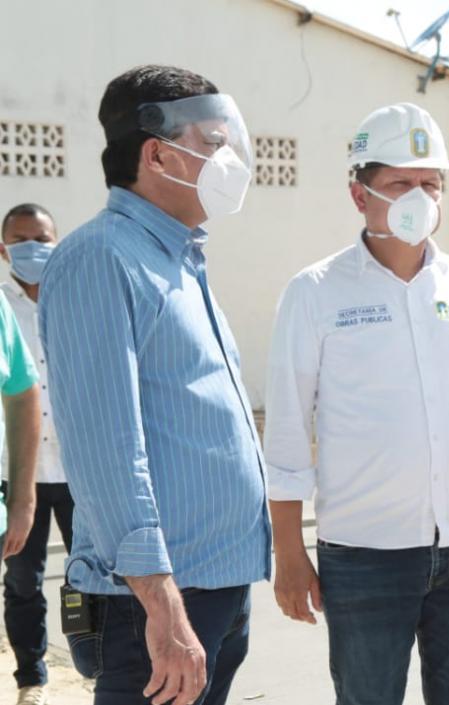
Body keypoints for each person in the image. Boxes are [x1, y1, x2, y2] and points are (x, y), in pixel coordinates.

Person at [264, 102, 449, 705]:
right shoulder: (314, 292)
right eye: (399, 183)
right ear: (359, 194)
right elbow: (287, 430)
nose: (417, 196)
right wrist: (287, 551)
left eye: (429, 183)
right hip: (366, 556)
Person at [40, 65, 270, 705]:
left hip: (211, 585)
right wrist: (163, 607)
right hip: (156, 603)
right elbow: (106, 446)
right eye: (214, 143)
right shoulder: (101, 257)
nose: (229, 160)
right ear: (158, 153)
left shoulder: (178, 255)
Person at [0, 203, 71, 705]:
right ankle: (32, 678)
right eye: (20, 239)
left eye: (41, 239)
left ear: (56, 241)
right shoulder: (2, 307)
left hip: (76, 471)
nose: (32, 248)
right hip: (18, 474)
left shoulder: (78, 303)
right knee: (23, 581)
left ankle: (95, 663)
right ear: (3, 249)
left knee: (90, 577)